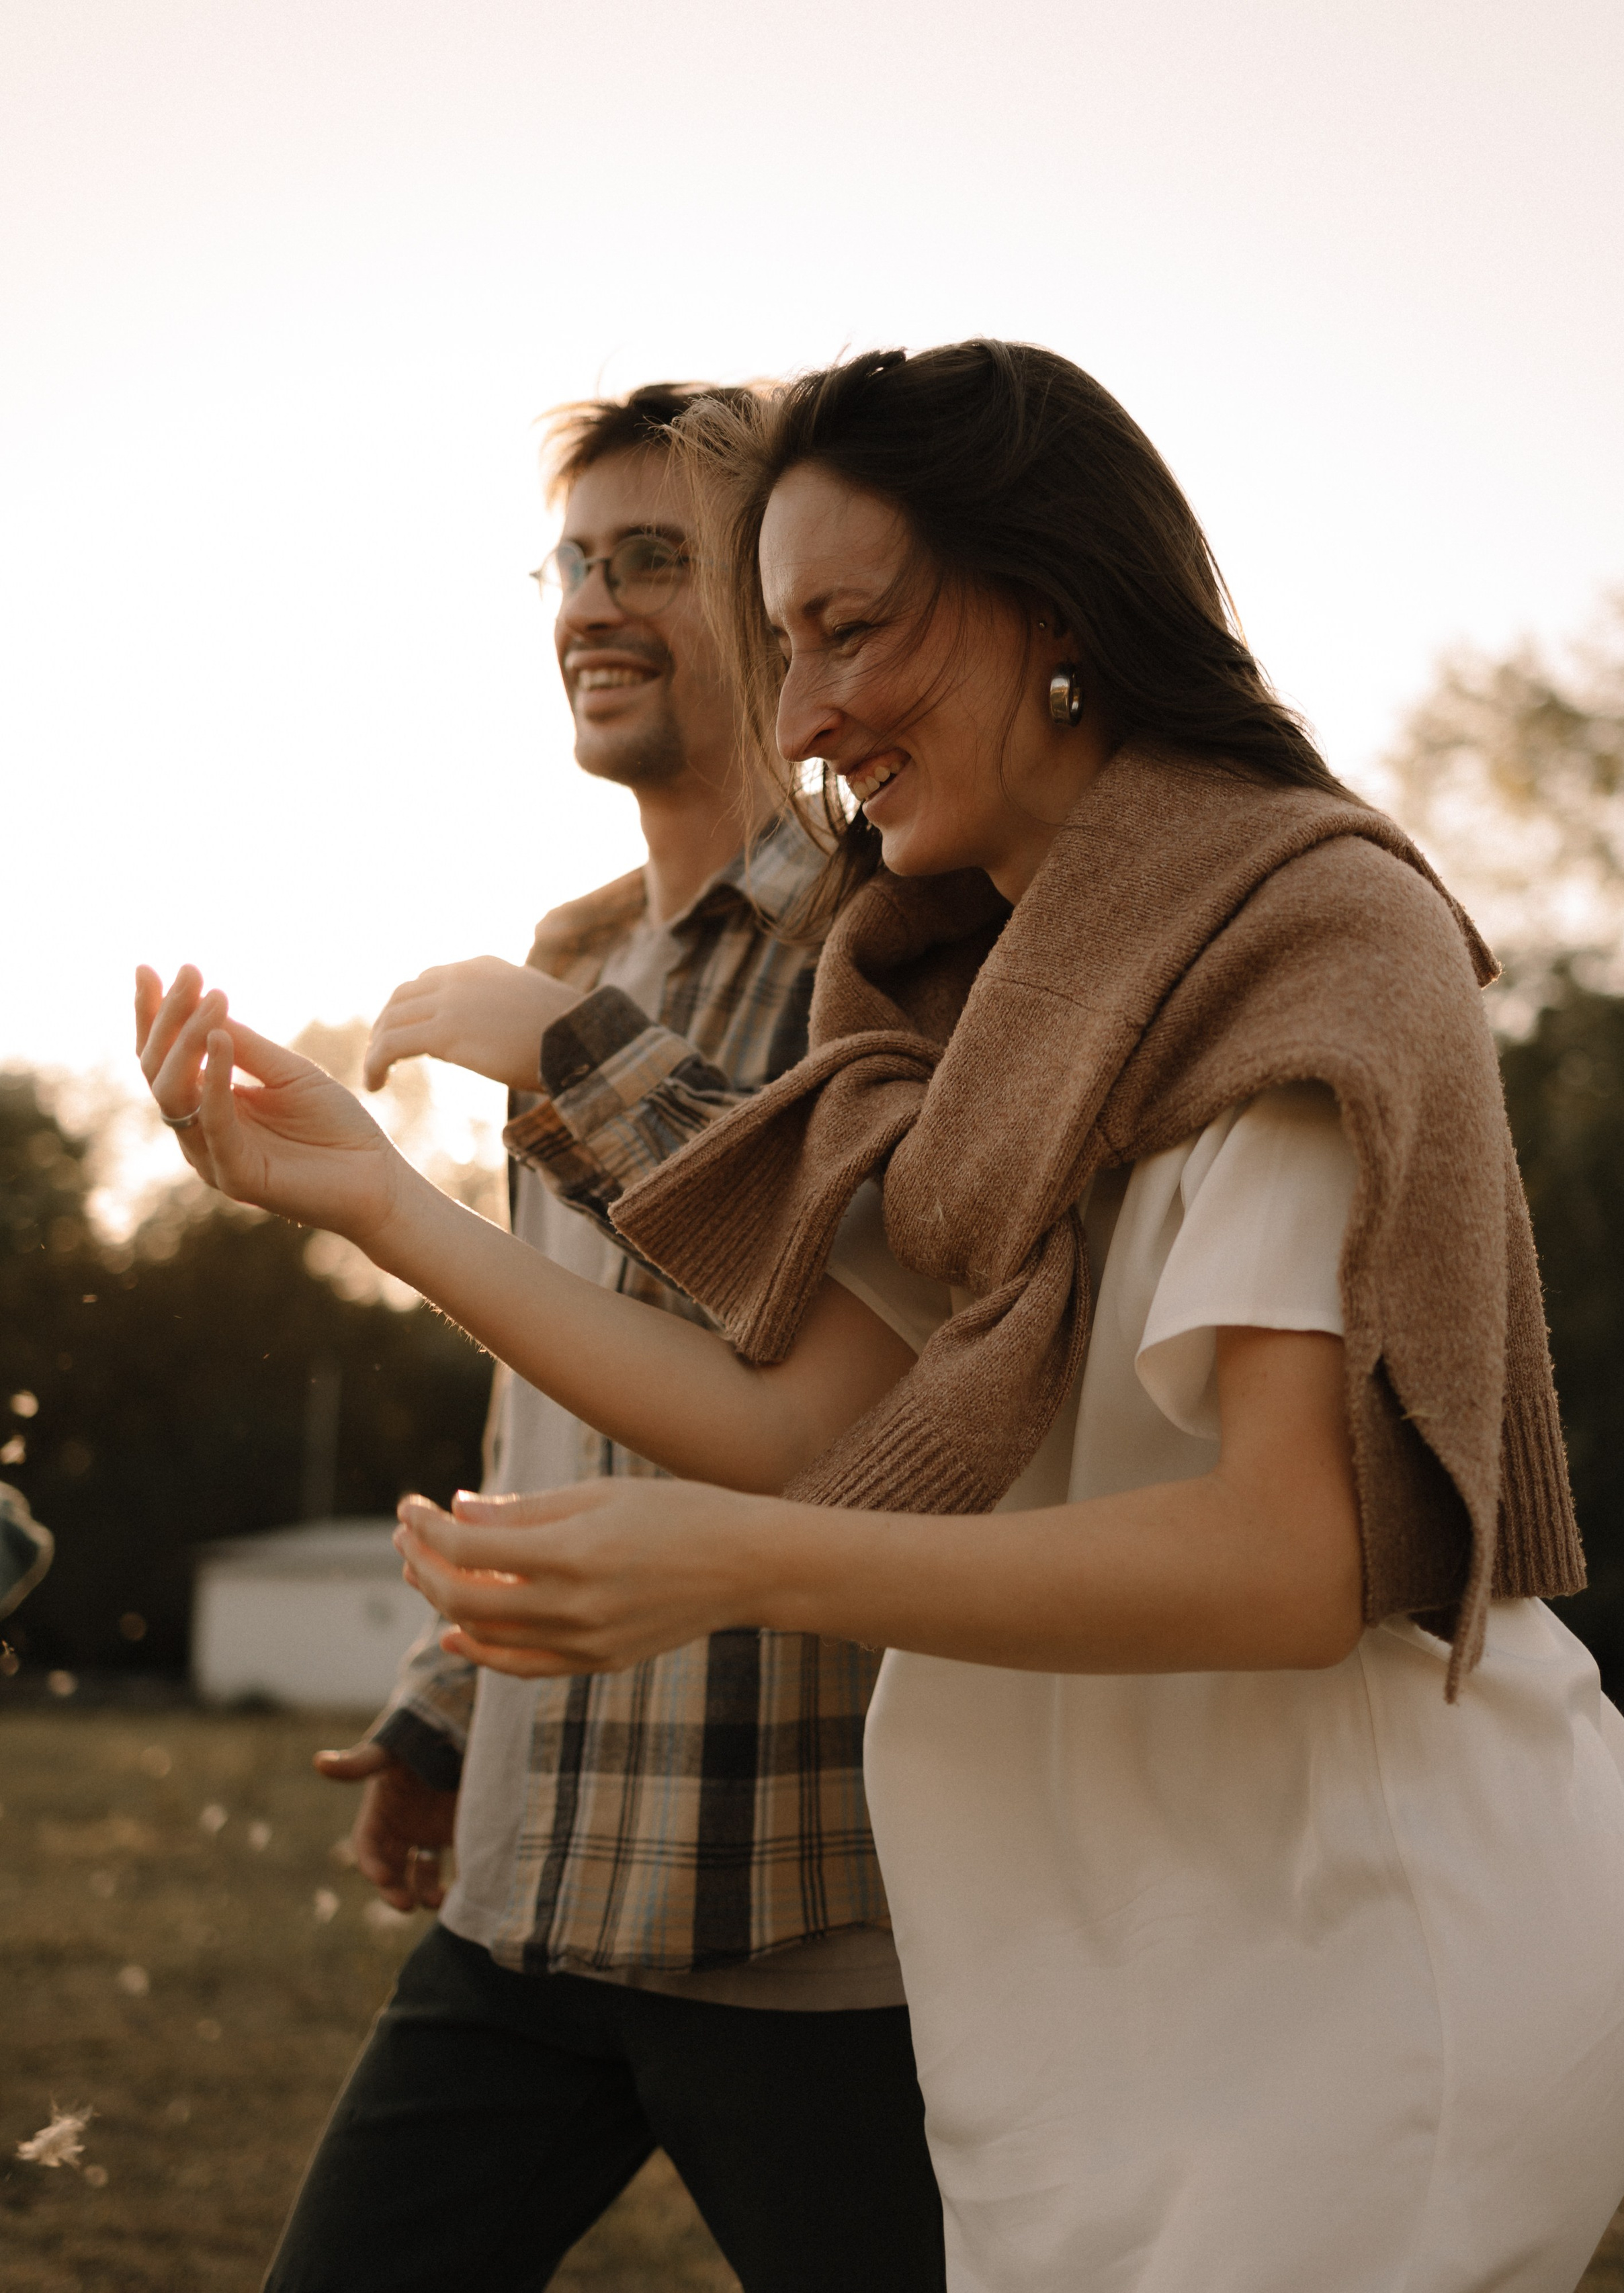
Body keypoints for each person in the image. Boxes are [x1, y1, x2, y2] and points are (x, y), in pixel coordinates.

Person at [138, 341, 1624, 2293]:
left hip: (1370, 1935)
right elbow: (807, 1430)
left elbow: (1300, 1555)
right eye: (782, 642)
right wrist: (376, 1198)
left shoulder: (1303, 944)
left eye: (851, 630)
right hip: (1101, 1954)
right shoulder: (954, 998)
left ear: (1050, 598)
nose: (805, 715)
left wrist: (736, 1568)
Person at [220, 382, 946, 2293]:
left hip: (799, 1903)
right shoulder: (577, 946)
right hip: (527, 1903)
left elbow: (847, 1312)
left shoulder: (894, 943)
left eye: (655, 560)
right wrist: (448, 1705)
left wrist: (563, 1054)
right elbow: (551, 1376)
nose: (594, 607)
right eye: (575, 562)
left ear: (779, 608)